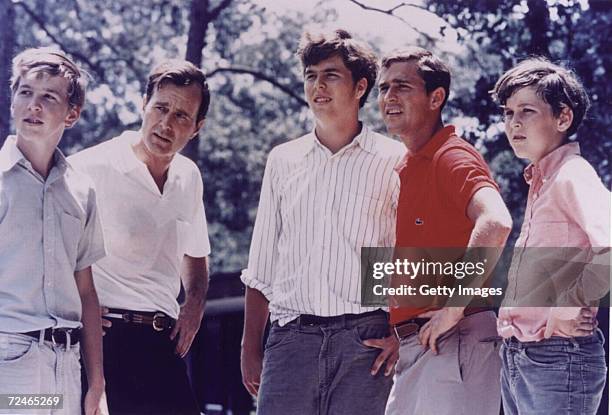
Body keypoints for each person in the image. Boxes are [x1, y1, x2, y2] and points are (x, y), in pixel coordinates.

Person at [240, 29, 405, 415]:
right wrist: (250, 348)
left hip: (366, 339)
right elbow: (262, 264)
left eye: (331, 75)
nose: (318, 86)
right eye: (311, 75)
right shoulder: (283, 160)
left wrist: (401, 333)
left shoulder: (394, 160)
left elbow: (405, 258)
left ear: (360, 86)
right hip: (291, 338)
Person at [69, 59, 211, 415]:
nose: (166, 123)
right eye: (160, 108)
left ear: (196, 128)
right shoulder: (88, 169)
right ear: (142, 105)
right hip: (104, 342)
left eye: (181, 116)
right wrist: (75, 307)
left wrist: (194, 303)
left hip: (162, 344)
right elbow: (51, 251)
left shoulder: (189, 176)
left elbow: (196, 253)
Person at [377, 46, 513, 414]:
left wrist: (452, 309)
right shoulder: (407, 166)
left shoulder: (450, 156)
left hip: (455, 339)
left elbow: (496, 222)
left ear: (436, 97)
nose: (388, 97)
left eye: (402, 86)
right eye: (383, 88)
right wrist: (399, 329)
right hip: (421, 345)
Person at [491, 57, 609, 415]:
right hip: (520, 355)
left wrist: (572, 303)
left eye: (527, 111)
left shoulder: (573, 174)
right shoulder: (541, 182)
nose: (514, 122)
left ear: (563, 118)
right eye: (508, 112)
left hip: (560, 356)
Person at [0, 48, 106, 414]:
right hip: (12, 363)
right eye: (25, 92)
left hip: (68, 365)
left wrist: (97, 383)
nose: (34, 105)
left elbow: (86, 292)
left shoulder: (82, 190)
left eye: (49, 97)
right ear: (12, 101)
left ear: (72, 114)